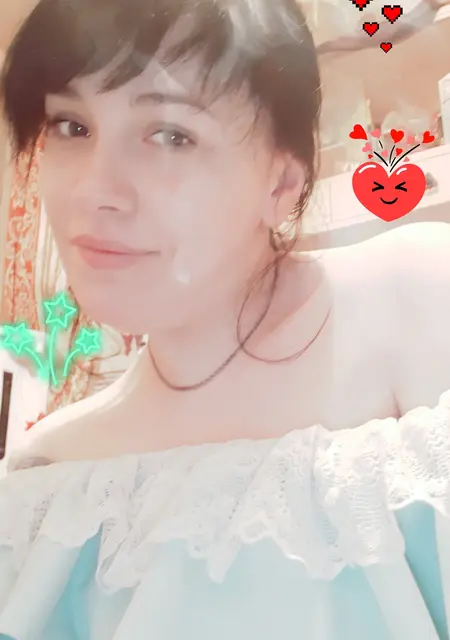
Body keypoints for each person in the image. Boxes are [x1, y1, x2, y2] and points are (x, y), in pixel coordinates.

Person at [1, 0, 450, 637]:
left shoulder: (420, 302)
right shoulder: (52, 482)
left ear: (282, 183)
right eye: (71, 126)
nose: (94, 192)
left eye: (170, 134)